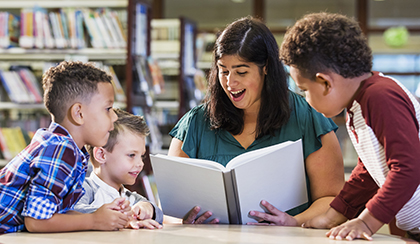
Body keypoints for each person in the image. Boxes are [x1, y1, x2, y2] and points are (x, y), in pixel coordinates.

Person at [167, 16, 344, 226]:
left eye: (241, 72)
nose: (230, 83)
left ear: (266, 67)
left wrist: (294, 222)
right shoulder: (195, 123)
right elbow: (169, 210)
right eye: (223, 71)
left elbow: (334, 202)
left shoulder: (307, 119)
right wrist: (183, 221)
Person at [280, 12, 420, 242]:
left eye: (304, 89)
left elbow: (408, 167)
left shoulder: (380, 96)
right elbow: (369, 172)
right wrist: (333, 215)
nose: (305, 98)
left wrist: (366, 221)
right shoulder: (358, 105)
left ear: (325, 82)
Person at [0, 61, 130, 233]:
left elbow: (55, 212)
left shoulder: (65, 147)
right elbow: (36, 222)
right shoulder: (60, 150)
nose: (114, 117)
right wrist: (94, 220)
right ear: (79, 113)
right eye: (108, 108)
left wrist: (106, 217)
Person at [74, 108, 163, 229]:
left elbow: (159, 214)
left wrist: (148, 208)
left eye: (141, 156)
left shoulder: (130, 197)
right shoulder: (85, 188)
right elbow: (73, 212)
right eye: (131, 155)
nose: (140, 164)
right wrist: (121, 217)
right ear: (101, 155)